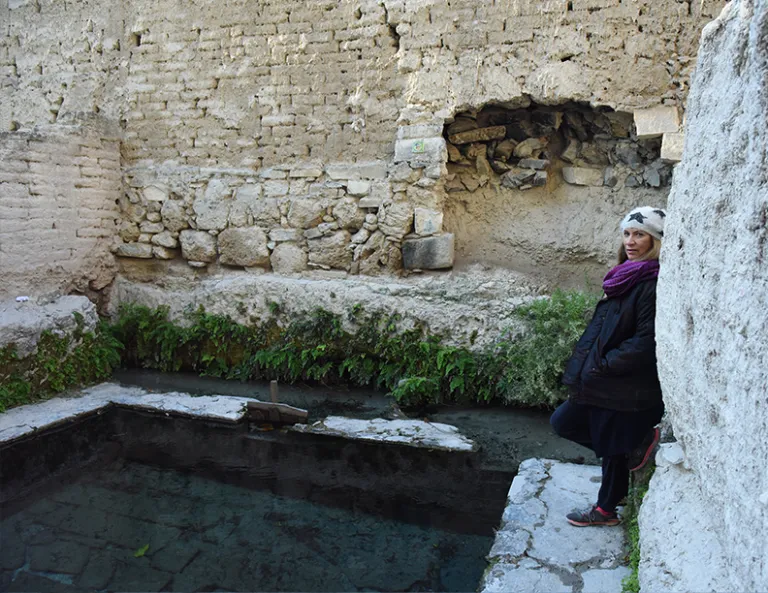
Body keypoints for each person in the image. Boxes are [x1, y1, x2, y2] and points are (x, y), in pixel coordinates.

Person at [550, 206, 666, 527]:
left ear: (655, 240)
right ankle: (635, 449)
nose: (631, 241)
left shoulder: (650, 283)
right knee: (564, 423)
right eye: (627, 233)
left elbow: (645, 341)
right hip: (603, 378)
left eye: (640, 234)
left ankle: (605, 510)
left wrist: (603, 366)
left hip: (622, 382)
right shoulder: (625, 275)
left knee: (604, 436)